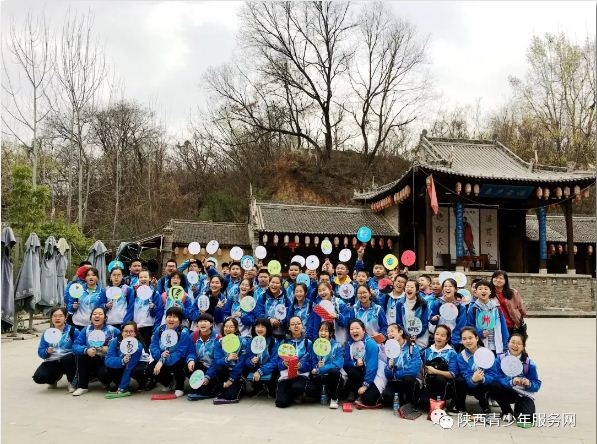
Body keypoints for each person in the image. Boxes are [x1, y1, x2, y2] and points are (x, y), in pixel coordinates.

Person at [490, 334, 541, 425]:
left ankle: (519, 408)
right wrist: (511, 382)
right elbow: (496, 377)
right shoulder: (500, 359)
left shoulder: (529, 363)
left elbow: (536, 384)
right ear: (508, 343)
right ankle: (507, 411)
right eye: (513, 342)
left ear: (523, 347)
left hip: (522, 394)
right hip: (507, 391)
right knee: (494, 385)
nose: (515, 345)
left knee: (527, 419)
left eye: (519, 343)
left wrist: (529, 383)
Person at [72, 307, 120, 396]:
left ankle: (107, 381)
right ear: (91, 318)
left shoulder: (113, 330)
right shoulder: (86, 330)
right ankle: (82, 386)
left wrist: (110, 349)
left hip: (106, 360)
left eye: (100, 314)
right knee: (81, 356)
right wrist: (86, 350)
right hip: (92, 358)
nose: (97, 316)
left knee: (103, 374)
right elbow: (75, 346)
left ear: (105, 318)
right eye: (94, 314)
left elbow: (122, 344)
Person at [148, 306, 191, 398]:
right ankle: (167, 383)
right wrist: (160, 357)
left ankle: (180, 387)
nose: (171, 319)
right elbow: (153, 346)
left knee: (178, 366)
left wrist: (163, 361)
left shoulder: (183, 331)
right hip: (162, 355)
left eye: (175, 317)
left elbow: (181, 351)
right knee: (151, 368)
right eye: (169, 316)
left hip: (178, 357)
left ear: (179, 319)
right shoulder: (160, 329)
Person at [32, 307, 79, 393]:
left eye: (60, 316)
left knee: (68, 359)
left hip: (69, 361)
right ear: (51, 318)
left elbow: (79, 346)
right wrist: (47, 351)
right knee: (38, 377)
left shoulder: (73, 331)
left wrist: (72, 351)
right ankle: (54, 379)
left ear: (65, 317)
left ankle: (72, 382)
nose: (57, 318)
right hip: (53, 361)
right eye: (54, 316)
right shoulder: (47, 333)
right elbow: (41, 351)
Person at [453, 326, 496, 415]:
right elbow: (465, 374)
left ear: (477, 338)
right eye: (464, 339)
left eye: (470, 338)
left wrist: (482, 378)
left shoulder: (487, 354)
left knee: (494, 383)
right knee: (459, 380)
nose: (468, 341)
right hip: (469, 383)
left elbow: (492, 374)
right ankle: (461, 407)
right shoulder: (461, 356)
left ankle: (485, 405)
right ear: (461, 341)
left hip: (483, 384)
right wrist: (473, 380)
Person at [274, 316, 313, 408]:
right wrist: (283, 363)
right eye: (293, 324)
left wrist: (301, 365)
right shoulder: (284, 342)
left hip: (301, 374)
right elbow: (278, 361)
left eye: (298, 323)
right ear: (289, 327)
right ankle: (291, 396)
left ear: (302, 325)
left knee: (297, 387)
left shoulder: (308, 342)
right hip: (286, 374)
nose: (296, 326)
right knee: (280, 403)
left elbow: (312, 362)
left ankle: (295, 393)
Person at [104, 321, 150, 397]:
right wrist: (121, 361)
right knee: (108, 368)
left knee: (138, 371)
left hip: (137, 365)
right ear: (122, 332)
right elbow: (108, 360)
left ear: (135, 333)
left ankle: (142, 384)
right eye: (126, 331)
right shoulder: (115, 341)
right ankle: (119, 384)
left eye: (131, 331)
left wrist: (121, 388)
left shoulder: (138, 346)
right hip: (122, 364)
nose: (128, 334)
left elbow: (130, 367)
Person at [381, 323, 422, 408]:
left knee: (408, 379)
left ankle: (410, 402)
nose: (389, 334)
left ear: (400, 332)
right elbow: (388, 376)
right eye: (388, 333)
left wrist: (396, 374)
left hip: (410, 381)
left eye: (392, 331)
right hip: (396, 381)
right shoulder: (390, 350)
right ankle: (401, 398)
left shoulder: (413, 348)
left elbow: (414, 371)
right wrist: (389, 367)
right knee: (387, 397)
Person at [343, 319, 381, 406]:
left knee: (369, 399)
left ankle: (364, 393)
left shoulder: (370, 343)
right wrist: (355, 363)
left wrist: (365, 385)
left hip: (372, 375)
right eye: (351, 329)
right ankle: (353, 391)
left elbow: (372, 367)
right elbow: (345, 363)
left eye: (357, 328)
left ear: (363, 330)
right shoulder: (349, 344)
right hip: (357, 374)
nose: (354, 331)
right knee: (353, 371)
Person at [466, 279, 509, 355]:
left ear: (490, 291)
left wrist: (506, 346)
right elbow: (469, 327)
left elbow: (503, 328)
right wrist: (480, 333)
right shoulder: (473, 309)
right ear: (476, 291)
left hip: (496, 346)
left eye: (486, 289)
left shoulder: (497, 308)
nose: (483, 291)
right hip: (480, 346)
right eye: (480, 289)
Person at [307, 321, 343, 409]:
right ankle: (323, 392)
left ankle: (334, 398)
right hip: (318, 376)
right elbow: (311, 362)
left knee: (335, 372)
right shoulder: (315, 345)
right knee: (309, 391)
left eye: (326, 331)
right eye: (321, 330)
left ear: (331, 333)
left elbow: (338, 364)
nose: (323, 333)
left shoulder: (338, 346)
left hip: (331, 377)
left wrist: (320, 369)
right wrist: (316, 366)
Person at [186, 313, 220, 400]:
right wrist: (191, 359)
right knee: (187, 365)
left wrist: (208, 376)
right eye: (200, 321)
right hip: (201, 365)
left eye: (205, 321)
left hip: (214, 368)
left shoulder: (218, 338)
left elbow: (217, 360)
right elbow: (190, 351)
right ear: (197, 324)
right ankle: (198, 388)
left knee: (206, 388)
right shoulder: (193, 336)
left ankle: (207, 389)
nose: (202, 323)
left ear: (211, 324)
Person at [421, 324, 458, 404]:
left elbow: (453, 374)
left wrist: (435, 371)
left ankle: (441, 401)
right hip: (428, 382)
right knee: (424, 403)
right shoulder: (426, 351)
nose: (439, 337)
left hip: (444, 384)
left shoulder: (452, 353)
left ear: (447, 338)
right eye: (437, 334)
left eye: (442, 335)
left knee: (439, 379)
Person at [429, 278, 467, 351]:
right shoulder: (437, 303)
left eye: (450, 286)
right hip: (439, 338)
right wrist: (434, 319)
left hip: (454, 340)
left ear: (456, 289)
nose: (447, 288)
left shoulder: (460, 306)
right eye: (445, 286)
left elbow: (461, 325)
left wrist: (453, 342)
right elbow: (431, 320)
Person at [244, 318, 278, 398]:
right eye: (257, 326)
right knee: (244, 368)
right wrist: (251, 361)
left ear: (268, 328)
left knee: (276, 368)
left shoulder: (273, 341)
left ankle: (271, 388)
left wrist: (260, 371)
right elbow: (247, 359)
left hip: (269, 368)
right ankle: (258, 388)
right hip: (256, 367)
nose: (259, 329)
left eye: (263, 327)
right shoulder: (251, 341)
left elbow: (274, 361)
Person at [490, 270, 527, 339]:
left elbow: (521, 308)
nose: (498, 280)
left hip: (512, 325)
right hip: (497, 326)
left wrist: (520, 318)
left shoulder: (513, 292)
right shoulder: (489, 293)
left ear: (505, 281)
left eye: (501, 278)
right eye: (496, 278)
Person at [396, 279, 430, 349]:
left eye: (412, 287)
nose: (409, 289)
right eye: (407, 286)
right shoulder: (399, 303)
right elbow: (399, 322)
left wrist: (416, 335)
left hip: (420, 337)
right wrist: (406, 335)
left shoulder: (423, 303)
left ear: (417, 290)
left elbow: (424, 323)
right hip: (405, 336)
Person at [255, 275, 290, 340]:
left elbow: (289, 314)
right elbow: (258, 313)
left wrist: (280, 322)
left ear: (281, 285)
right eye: (272, 282)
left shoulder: (286, 299)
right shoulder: (262, 297)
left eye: (277, 283)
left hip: (281, 333)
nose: (274, 285)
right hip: (265, 332)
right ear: (269, 283)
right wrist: (269, 320)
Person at [132, 270, 161, 347]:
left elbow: (158, 312)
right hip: (136, 326)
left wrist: (153, 308)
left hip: (149, 325)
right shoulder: (134, 292)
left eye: (145, 277)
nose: (143, 279)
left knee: (146, 348)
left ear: (150, 278)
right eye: (141, 277)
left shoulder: (154, 293)